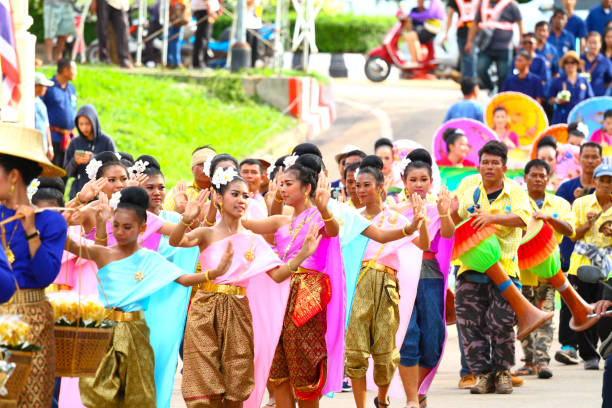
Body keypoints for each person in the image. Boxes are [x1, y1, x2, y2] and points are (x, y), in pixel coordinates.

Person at [170, 168, 320, 407]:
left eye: (245, 196)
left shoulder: (254, 239)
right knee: (203, 376)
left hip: (238, 311)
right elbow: (176, 240)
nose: (241, 200)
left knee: (236, 379)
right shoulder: (207, 233)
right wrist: (186, 219)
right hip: (204, 310)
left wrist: (301, 256)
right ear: (218, 197)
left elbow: (278, 275)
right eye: (235, 194)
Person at [63, 186, 226, 406]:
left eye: (128, 227)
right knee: (99, 392)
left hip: (135, 333)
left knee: (135, 392)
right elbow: (69, 243)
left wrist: (212, 273)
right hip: (103, 333)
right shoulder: (103, 253)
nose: (120, 232)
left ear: (143, 228)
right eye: (117, 226)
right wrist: (71, 208)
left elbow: (183, 279)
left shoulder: (150, 259)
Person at [344, 156, 429, 408]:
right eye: (357, 185)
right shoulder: (352, 218)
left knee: (384, 352)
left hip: (386, 287)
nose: (360, 190)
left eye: (366, 185)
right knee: (356, 352)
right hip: (357, 287)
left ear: (380, 186)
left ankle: (382, 399)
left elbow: (423, 245)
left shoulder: (396, 219)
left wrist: (419, 220)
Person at [452, 140, 531, 395]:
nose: (489, 167)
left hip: (505, 270)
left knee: (502, 323)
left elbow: (523, 218)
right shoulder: (468, 185)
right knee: (470, 324)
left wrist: (493, 217)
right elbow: (457, 216)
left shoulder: (516, 191)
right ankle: (483, 375)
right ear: (478, 165)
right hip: (470, 269)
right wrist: (452, 211)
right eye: (485, 162)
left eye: (495, 163)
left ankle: (503, 372)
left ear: (504, 167)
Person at [0, 128, 68, 407]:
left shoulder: (50, 222)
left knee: (30, 398)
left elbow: (45, 275)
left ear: (13, 176)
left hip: (33, 320)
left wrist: (30, 231)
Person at [394, 150, 454, 408]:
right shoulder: (394, 210)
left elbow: (450, 234)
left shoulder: (436, 208)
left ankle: (418, 390)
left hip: (430, 275)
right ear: (404, 181)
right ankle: (410, 399)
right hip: (402, 276)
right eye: (413, 179)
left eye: (423, 179)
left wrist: (443, 213)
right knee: (408, 336)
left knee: (433, 339)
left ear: (431, 182)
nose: (418, 184)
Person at [513, 159, 575, 379]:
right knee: (522, 316)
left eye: (542, 175)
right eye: (534, 175)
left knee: (546, 315)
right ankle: (528, 361)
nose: (538, 179)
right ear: (525, 178)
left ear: (548, 179)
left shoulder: (559, 203)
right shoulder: (516, 202)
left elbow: (570, 231)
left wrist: (549, 219)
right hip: (521, 270)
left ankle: (542, 361)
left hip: (548, 270)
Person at [555, 142, 602, 365]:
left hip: (604, 262)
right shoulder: (567, 188)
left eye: (595, 157)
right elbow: (561, 219)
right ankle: (568, 346)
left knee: (600, 303)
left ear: (601, 160)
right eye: (587, 156)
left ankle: (597, 348)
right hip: (573, 256)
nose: (590, 160)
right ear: (579, 159)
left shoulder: (607, 192)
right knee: (570, 302)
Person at [568, 163, 612, 370]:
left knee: (606, 310)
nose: (606, 184)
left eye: (610, 181)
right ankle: (589, 356)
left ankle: (607, 350)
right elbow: (572, 234)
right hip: (582, 263)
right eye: (602, 180)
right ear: (594, 181)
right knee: (583, 311)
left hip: (608, 266)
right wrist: (588, 224)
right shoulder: (581, 204)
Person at [465, 0, 523, 91]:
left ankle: (501, 93)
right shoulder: (483, 3)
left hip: (505, 46)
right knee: (481, 69)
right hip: (485, 46)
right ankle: (491, 88)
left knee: (503, 74)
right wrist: (469, 41)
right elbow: (475, 23)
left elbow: (520, 23)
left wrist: (521, 42)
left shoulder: (511, 4)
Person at [63, 104, 116, 200]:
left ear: (94, 122)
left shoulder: (106, 141)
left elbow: (116, 165)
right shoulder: (75, 143)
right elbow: (67, 172)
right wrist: (74, 161)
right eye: (81, 124)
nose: (84, 128)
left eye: (87, 123)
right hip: (79, 192)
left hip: (101, 193)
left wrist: (93, 158)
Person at [42, 58, 77, 169]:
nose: (76, 72)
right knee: (53, 170)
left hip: (69, 138)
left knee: (66, 170)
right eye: (74, 69)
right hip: (53, 137)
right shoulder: (49, 87)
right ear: (65, 70)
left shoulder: (71, 88)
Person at [163, 145, 216, 213]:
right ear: (192, 169)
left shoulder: (224, 191)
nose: (206, 168)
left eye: (209, 165)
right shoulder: (178, 192)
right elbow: (165, 220)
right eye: (201, 164)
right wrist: (179, 210)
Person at [548, 51, 595, 125]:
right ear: (564, 65)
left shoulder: (584, 80)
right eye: (567, 62)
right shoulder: (557, 81)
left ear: (577, 64)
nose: (570, 65)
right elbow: (550, 99)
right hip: (562, 117)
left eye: (573, 62)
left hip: (580, 118)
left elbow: (590, 99)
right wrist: (558, 100)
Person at [90, 0, 133, 68]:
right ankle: (104, 59)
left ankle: (124, 58)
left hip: (119, 3)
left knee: (122, 30)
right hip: (104, 2)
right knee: (102, 29)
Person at [442, 0, 477, 78]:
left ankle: (471, 82)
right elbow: (450, 16)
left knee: (470, 58)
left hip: (476, 33)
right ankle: (467, 81)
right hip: (463, 32)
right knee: (466, 59)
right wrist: (446, 34)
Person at [582, 32, 612, 96]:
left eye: (595, 43)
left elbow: (609, 83)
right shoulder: (579, 60)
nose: (592, 46)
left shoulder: (606, 62)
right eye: (590, 43)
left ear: (600, 44)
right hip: (581, 101)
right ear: (586, 44)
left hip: (599, 100)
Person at [191, 0, 220, 68]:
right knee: (202, 38)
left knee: (205, 38)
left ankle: (203, 62)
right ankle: (199, 63)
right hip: (205, 10)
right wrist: (209, 7)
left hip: (206, 10)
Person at [34, 72, 55, 162]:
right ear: (36, 86)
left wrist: (50, 146)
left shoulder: (41, 104)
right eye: (43, 86)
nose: (45, 88)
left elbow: (46, 126)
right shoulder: (25, 104)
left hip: (43, 148)